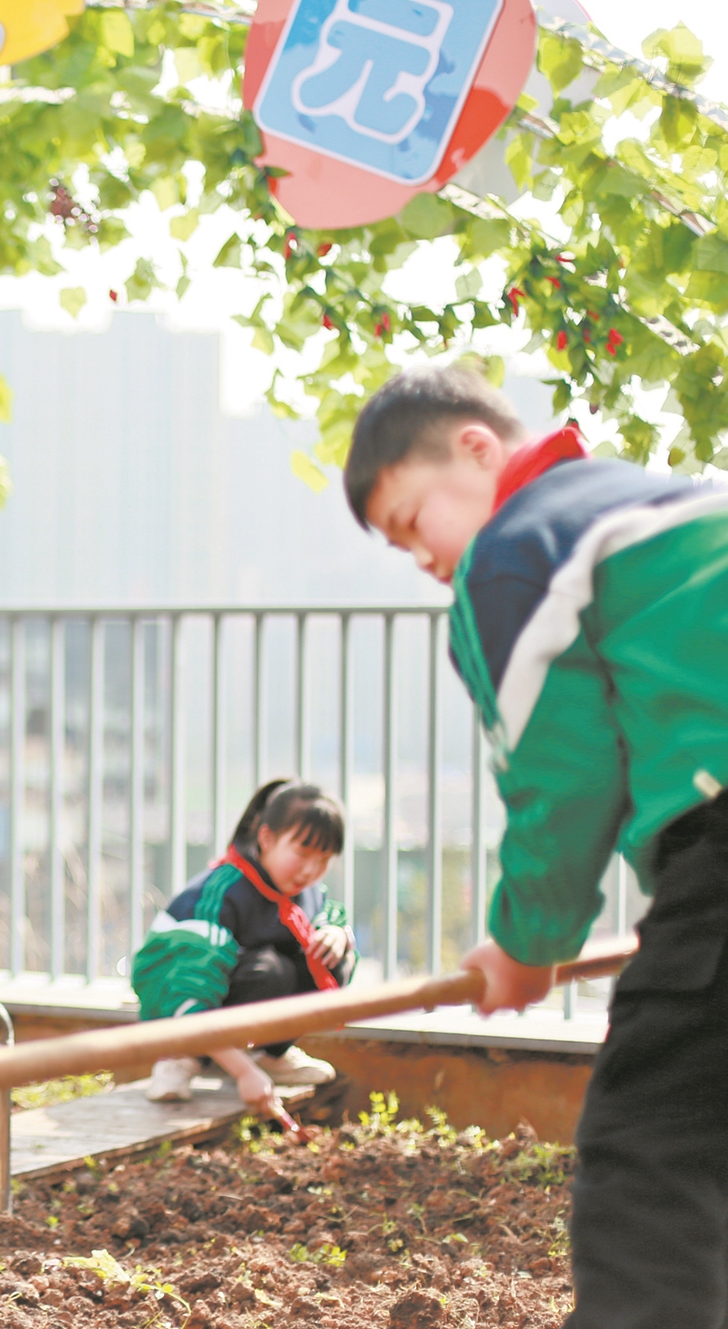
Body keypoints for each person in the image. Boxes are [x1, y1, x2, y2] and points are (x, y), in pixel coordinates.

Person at [345, 360, 728, 1328]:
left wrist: (525, 944)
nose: (424, 561)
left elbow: (560, 778)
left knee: (653, 1142)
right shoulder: (665, 506)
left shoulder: (516, 551)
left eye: (410, 523)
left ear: (476, 448)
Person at [131, 779, 354, 1112]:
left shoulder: (302, 889)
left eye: (324, 859)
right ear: (266, 838)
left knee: (330, 958)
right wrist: (243, 1073)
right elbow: (187, 994)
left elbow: (328, 914)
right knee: (269, 973)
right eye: (302, 853)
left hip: (226, 998)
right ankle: (181, 1057)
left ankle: (269, 1053)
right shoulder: (219, 895)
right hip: (176, 1009)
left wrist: (338, 933)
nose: (311, 870)